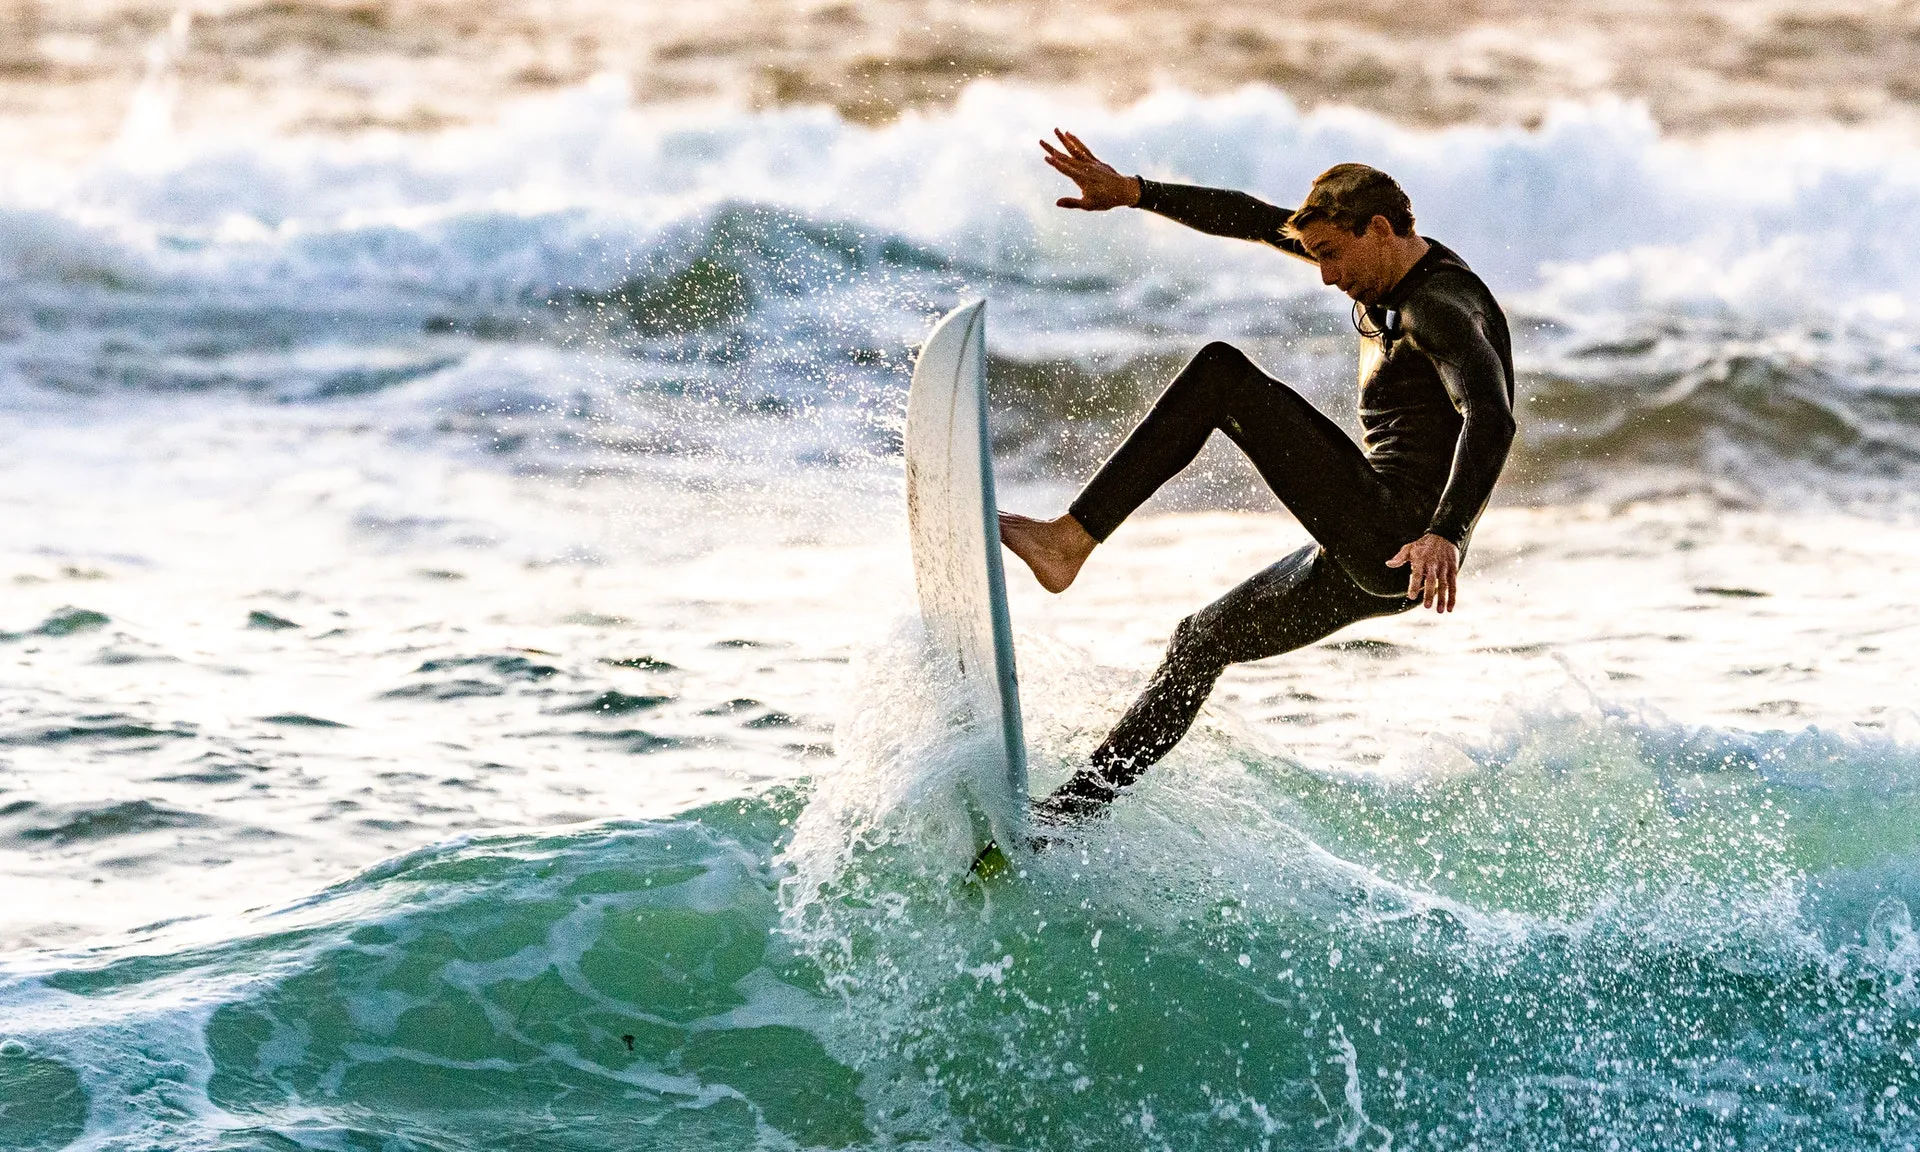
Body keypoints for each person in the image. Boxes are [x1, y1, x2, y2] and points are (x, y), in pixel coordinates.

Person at [1002, 129, 1516, 822]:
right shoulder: (1379, 270)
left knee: (1221, 377)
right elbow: (1246, 215)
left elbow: (1492, 415)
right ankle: (1065, 818)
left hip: (1400, 533)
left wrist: (1445, 535)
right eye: (1316, 257)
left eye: (1334, 256)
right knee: (1200, 641)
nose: (1327, 276)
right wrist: (1134, 193)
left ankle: (1070, 541)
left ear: (1381, 229)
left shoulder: (1437, 307)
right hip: (1375, 550)